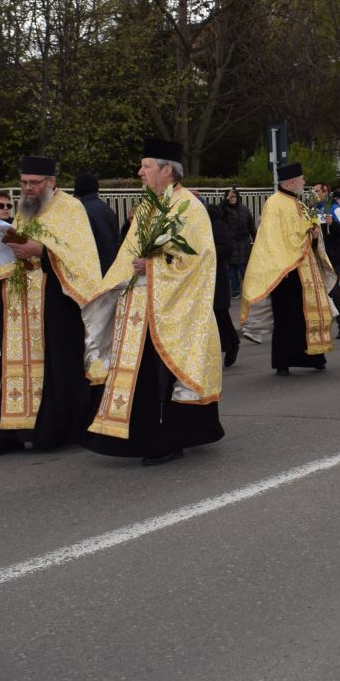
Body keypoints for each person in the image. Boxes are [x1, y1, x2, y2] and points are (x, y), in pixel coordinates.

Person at [83, 139, 224, 467]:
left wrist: (154, 268)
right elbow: (128, 254)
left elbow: (200, 260)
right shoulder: (148, 206)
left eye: (145, 166)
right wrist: (108, 292)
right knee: (143, 375)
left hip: (172, 307)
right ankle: (146, 436)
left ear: (166, 170)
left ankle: (170, 438)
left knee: (163, 374)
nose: (140, 172)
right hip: (139, 306)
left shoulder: (189, 207)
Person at [0, 156, 106, 456]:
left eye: (34, 183)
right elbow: (17, 243)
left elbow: (79, 256)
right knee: (13, 368)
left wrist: (40, 251)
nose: (27, 189)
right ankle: (10, 433)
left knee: (56, 369)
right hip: (20, 300)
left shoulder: (72, 208)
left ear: (52, 182)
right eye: (24, 183)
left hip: (57, 301)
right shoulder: (24, 208)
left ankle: (53, 432)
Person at [241, 163, 336, 376]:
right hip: (285, 272)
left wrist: (313, 234)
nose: (304, 183)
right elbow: (272, 239)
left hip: (305, 270)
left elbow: (305, 233)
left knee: (305, 316)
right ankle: (282, 361)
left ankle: (313, 357)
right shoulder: (274, 204)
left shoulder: (300, 204)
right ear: (291, 181)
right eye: (301, 179)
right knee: (284, 318)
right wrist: (303, 234)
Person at [203, 191, 241, 368]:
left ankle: (232, 345)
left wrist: (205, 254)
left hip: (217, 278)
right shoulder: (204, 226)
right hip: (206, 279)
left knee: (221, 315)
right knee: (215, 316)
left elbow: (226, 249)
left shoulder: (217, 226)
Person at [313, 181, 340, 340]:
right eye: (313, 191)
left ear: (325, 192)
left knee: (336, 292)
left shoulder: (335, 210)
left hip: (334, 257)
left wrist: (332, 223)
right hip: (318, 257)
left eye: (317, 191)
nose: (315, 194)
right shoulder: (312, 210)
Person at [73, 171, 121, 273]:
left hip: (93, 271)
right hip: (111, 268)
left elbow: (84, 246)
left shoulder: (82, 210)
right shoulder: (108, 209)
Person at [220, 186, 256, 297]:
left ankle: (248, 290)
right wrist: (225, 201)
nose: (232, 198)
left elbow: (251, 226)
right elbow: (219, 211)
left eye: (234, 196)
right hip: (231, 243)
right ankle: (235, 291)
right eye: (230, 197)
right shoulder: (224, 210)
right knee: (232, 269)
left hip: (243, 243)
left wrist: (256, 239)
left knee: (244, 268)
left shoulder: (244, 209)